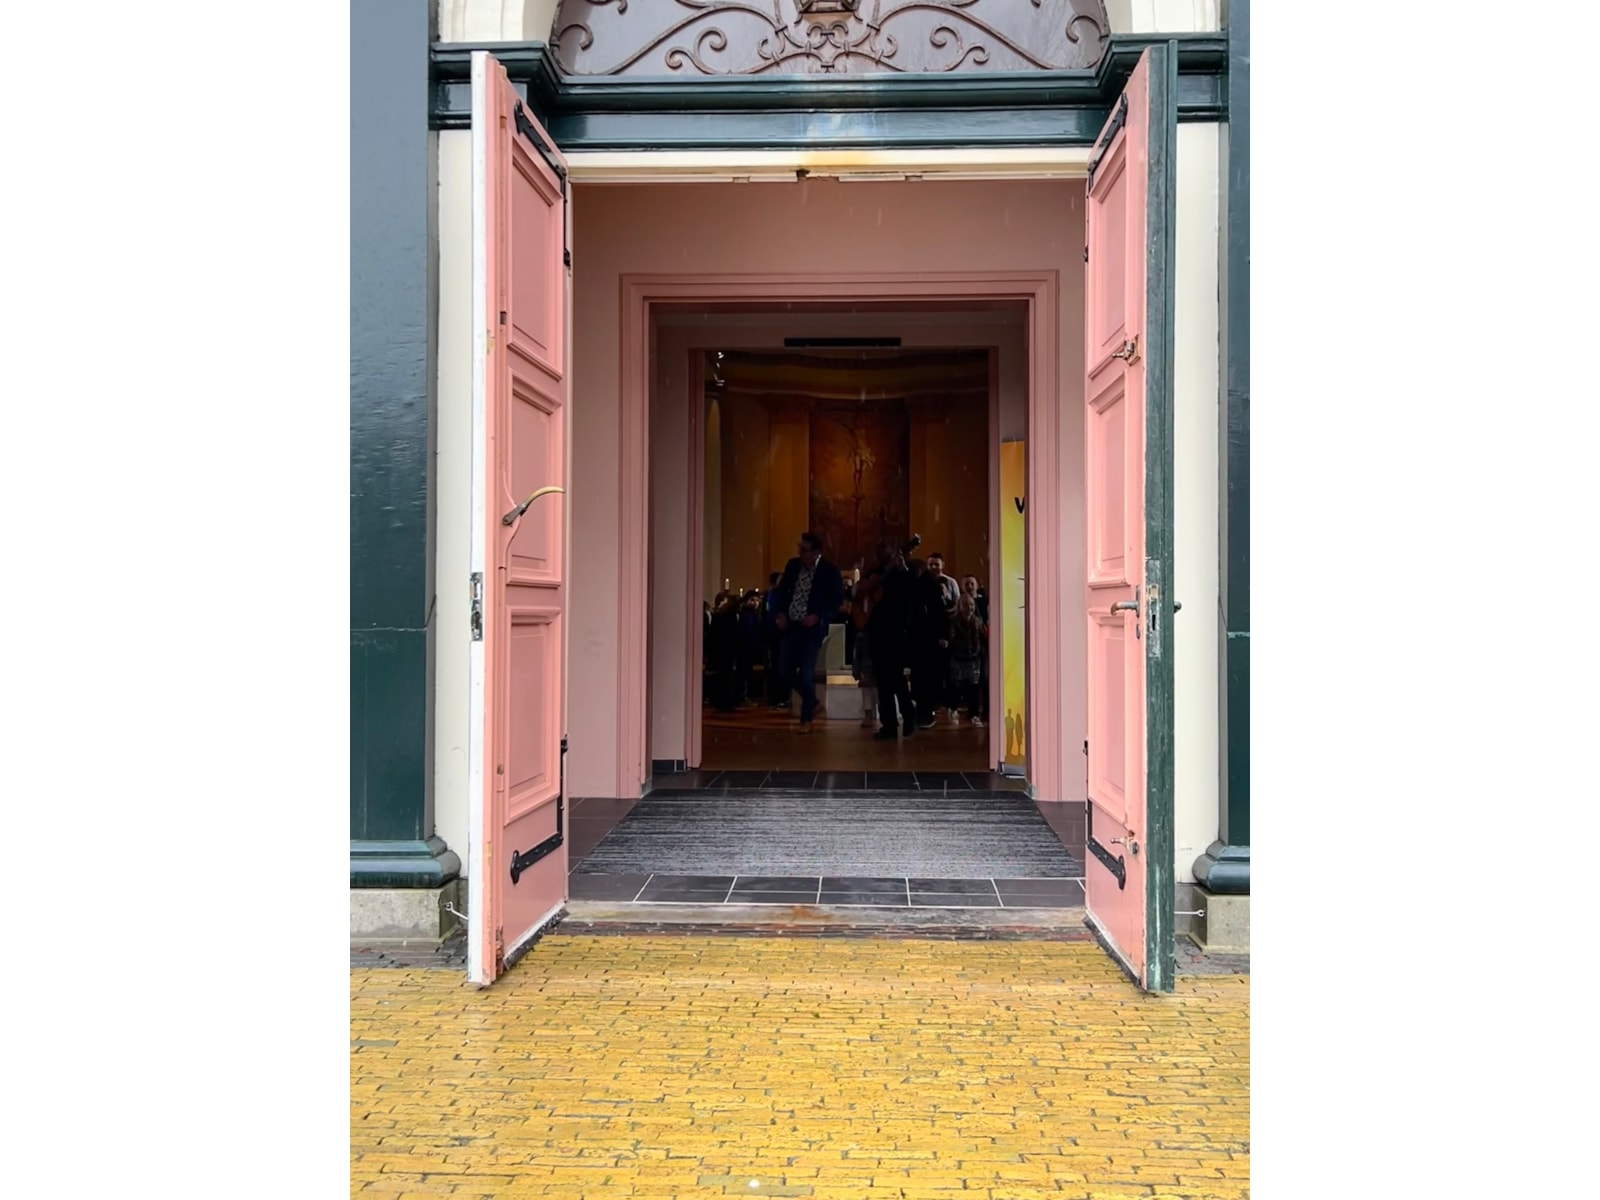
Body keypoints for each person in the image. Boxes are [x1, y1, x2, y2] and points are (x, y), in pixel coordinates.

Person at [771, 532, 845, 731]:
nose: (800, 553)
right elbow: (782, 592)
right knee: (785, 670)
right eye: (800, 548)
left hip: (811, 630)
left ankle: (806, 720)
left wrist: (818, 617)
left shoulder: (829, 571)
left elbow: (836, 601)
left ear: (816, 552)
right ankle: (812, 701)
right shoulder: (793, 566)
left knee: (806, 673)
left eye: (804, 550)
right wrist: (780, 614)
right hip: (791, 626)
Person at [864, 537, 917, 739]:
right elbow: (860, 591)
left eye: (883, 549)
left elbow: (912, 591)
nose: (880, 553)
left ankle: (908, 716)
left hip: (895, 631)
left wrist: (902, 569)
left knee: (896, 677)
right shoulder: (875, 571)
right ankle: (889, 725)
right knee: (882, 680)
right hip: (876, 630)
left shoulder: (904, 571)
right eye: (878, 549)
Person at [946, 593, 986, 725]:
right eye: (966, 605)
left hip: (974, 660)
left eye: (972, 605)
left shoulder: (977, 621)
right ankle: (953, 710)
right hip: (959, 659)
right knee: (956, 687)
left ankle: (973, 714)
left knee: (974, 687)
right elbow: (951, 639)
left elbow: (983, 636)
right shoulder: (954, 622)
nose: (970, 608)